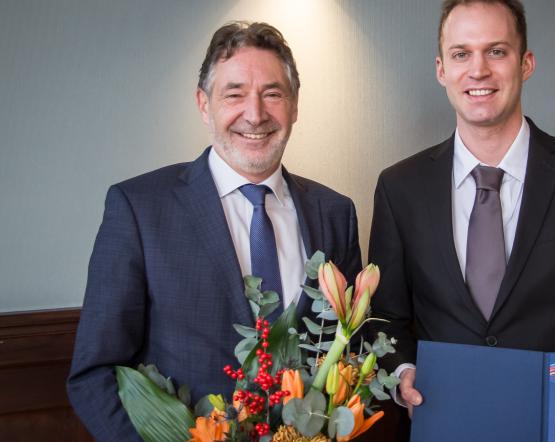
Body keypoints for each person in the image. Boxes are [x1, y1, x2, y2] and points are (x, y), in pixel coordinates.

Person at [67, 21, 361, 441]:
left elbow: (345, 358)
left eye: (273, 94)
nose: (255, 114)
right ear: (204, 104)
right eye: (234, 94)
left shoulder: (335, 213)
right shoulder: (139, 208)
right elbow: (94, 374)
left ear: (295, 106)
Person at [368, 0, 555, 424]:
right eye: (462, 54)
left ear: (526, 63)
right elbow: (385, 318)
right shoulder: (398, 188)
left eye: (496, 51)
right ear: (441, 69)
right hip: (442, 424)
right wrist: (403, 371)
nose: (478, 70)